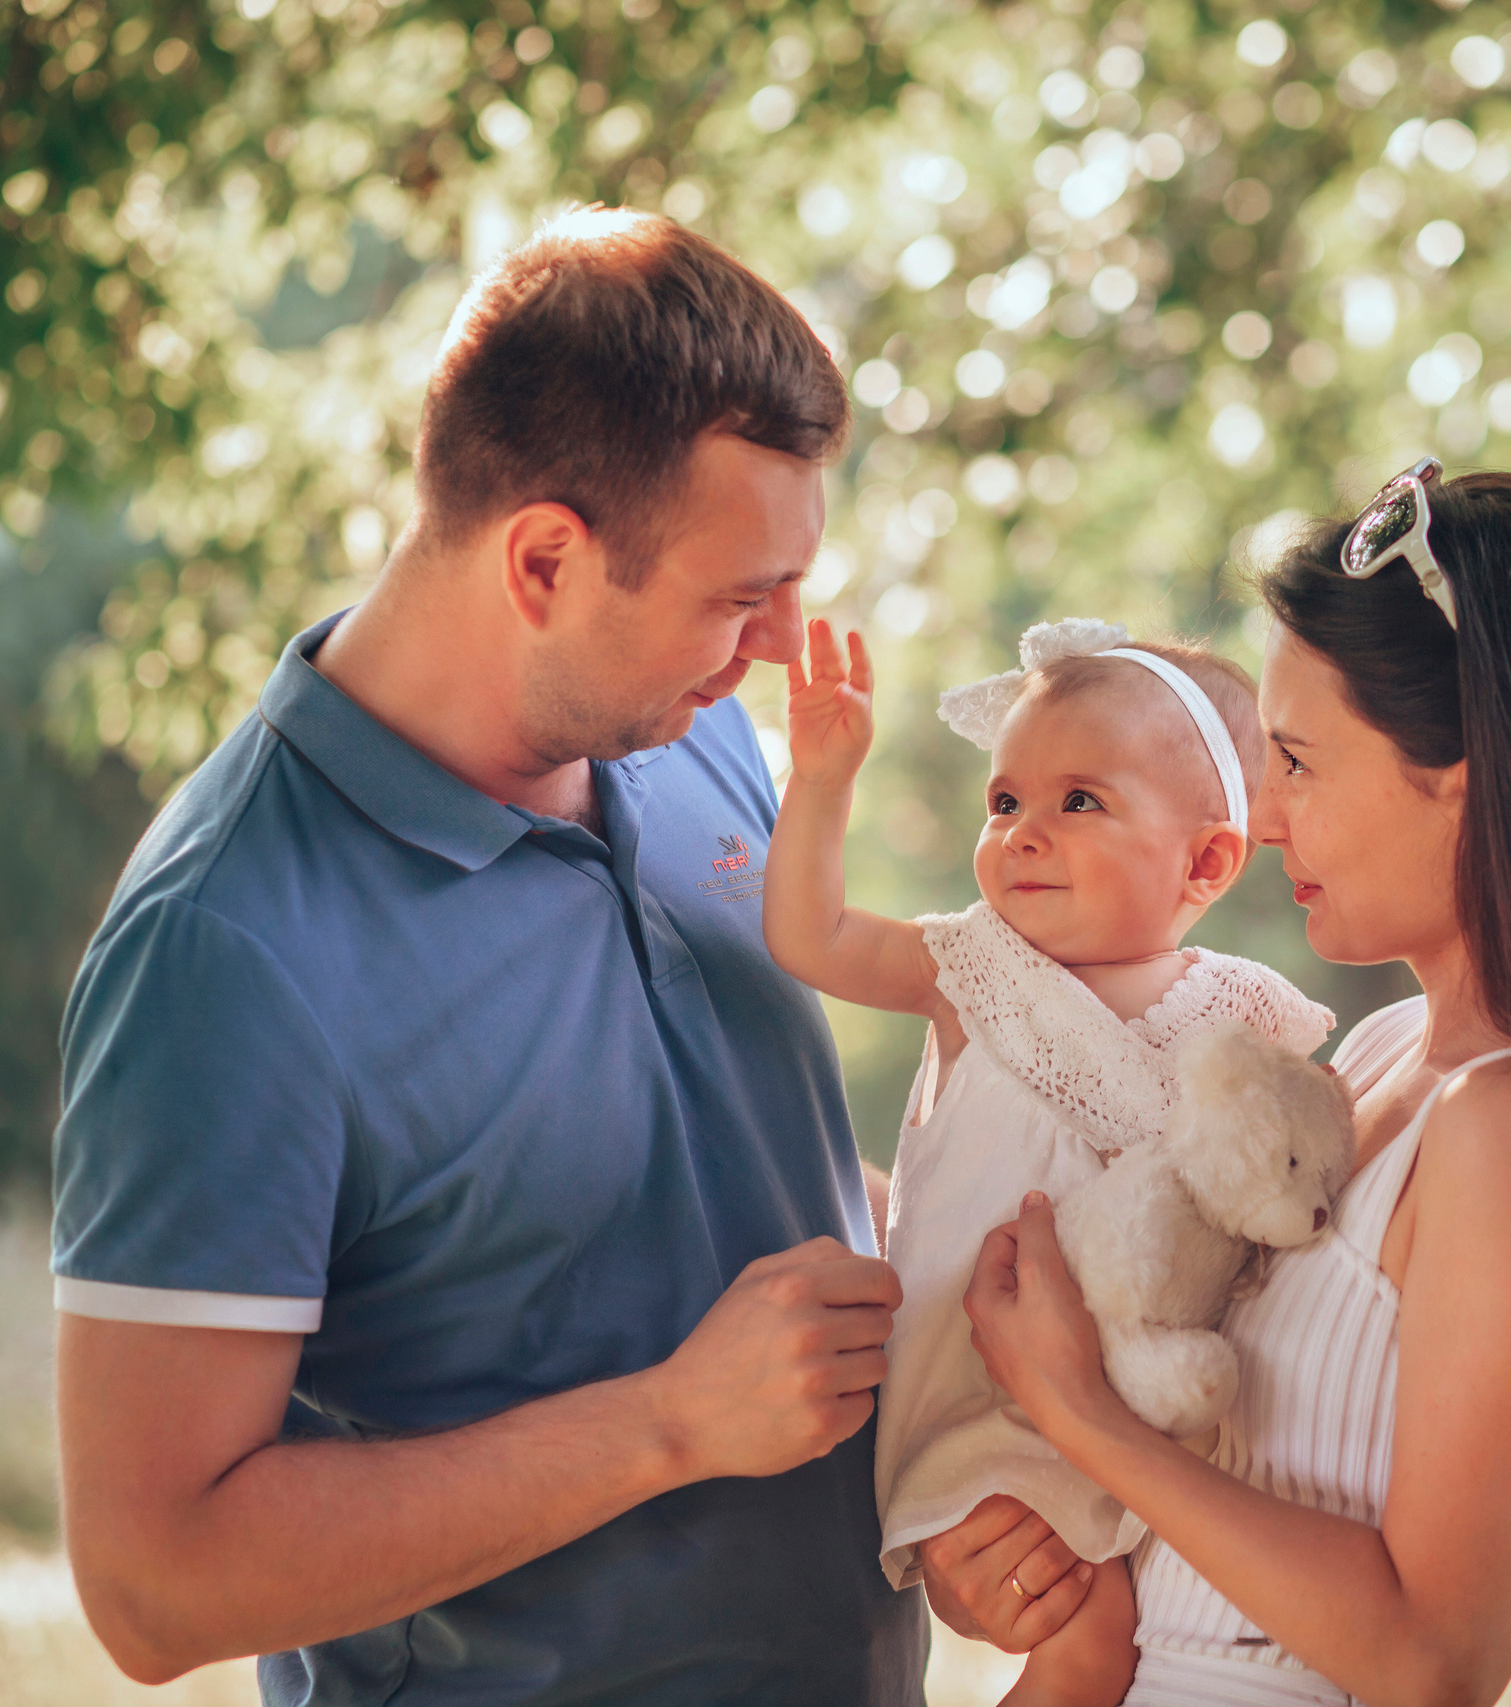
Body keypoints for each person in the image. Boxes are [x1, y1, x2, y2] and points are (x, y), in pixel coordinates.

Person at [46, 209, 926, 1705]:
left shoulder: (685, 733)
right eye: (737, 597)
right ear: (542, 560)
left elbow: (712, 1175)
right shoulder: (223, 948)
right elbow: (153, 1580)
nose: (779, 648)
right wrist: (668, 1420)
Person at [939, 463, 1511, 1706]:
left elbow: (1433, 1661)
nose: (1264, 820)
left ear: (1467, 774)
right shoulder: (1378, 1060)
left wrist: (1075, 1413)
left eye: (1296, 761)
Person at [765, 615, 1333, 1704]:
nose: (1021, 831)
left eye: (1078, 801)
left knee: (1168, 1604)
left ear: (1206, 859)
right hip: (980, 1398)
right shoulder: (970, 972)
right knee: (1090, 1623)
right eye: (1004, 801)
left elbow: (1296, 1177)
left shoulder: (1241, 1015)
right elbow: (812, 935)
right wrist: (823, 779)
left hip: (1157, 1402)